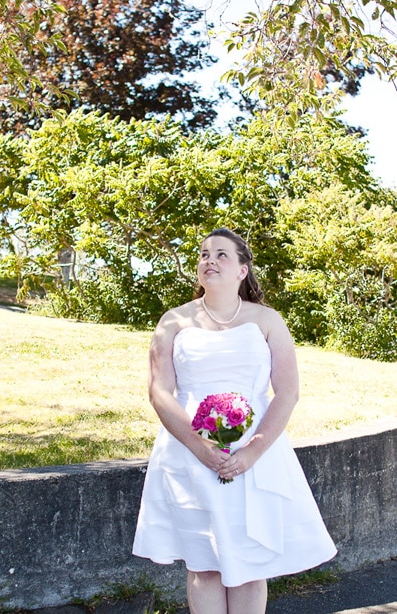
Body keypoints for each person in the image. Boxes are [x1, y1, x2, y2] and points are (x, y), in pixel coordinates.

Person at [132, 228, 336, 614]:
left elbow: (287, 393)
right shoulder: (173, 322)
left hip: (255, 454)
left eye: (222, 254)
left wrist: (253, 451)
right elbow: (159, 392)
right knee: (204, 564)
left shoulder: (267, 319)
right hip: (188, 454)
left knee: (248, 565)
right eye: (204, 254)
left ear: (243, 270)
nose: (210, 260)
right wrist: (200, 447)